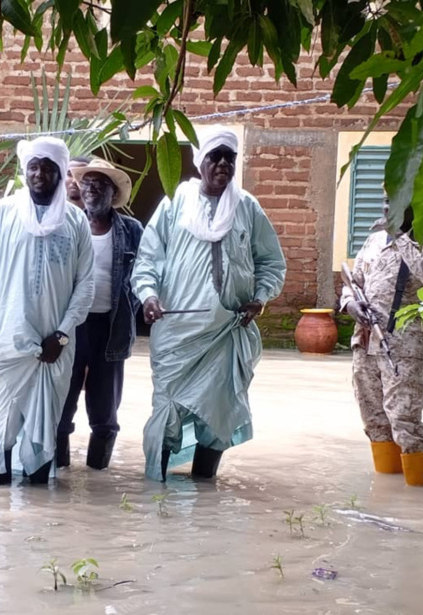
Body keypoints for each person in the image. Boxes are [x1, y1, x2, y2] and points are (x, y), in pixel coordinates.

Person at [131, 126, 286, 482]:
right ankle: (157, 489)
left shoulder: (247, 207)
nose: (222, 164)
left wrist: (259, 299)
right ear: (200, 161)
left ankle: (205, 489)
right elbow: (147, 260)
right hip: (177, 335)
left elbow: (272, 263)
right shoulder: (174, 202)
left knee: (218, 411)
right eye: (214, 156)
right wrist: (149, 295)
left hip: (227, 331)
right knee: (167, 410)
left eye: (229, 158)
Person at [0, 136, 94, 486]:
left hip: (55, 348)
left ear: (60, 173)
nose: (39, 174)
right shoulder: (3, 213)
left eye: (48, 168)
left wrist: (63, 333)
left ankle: (37, 529)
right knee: (2, 433)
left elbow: (85, 286)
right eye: (33, 167)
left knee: (42, 452)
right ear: (25, 172)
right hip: (8, 340)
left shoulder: (75, 222)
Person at [340, 203, 423, 486]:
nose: (389, 209)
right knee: (373, 416)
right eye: (387, 204)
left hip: (403, 345)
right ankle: (386, 493)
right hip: (365, 341)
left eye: (398, 203)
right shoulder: (374, 241)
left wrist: (401, 236)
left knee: (404, 416)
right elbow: (352, 282)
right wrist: (350, 304)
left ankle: (418, 490)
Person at [56, 159, 142, 470]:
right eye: (87, 183)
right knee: (62, 405)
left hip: (111, 326)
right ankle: (57, 474)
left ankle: (98, 477)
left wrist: (144, 303)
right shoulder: (66, 225)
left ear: (112, 192)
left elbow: (145, 274)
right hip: (70, 327)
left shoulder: (131, 230)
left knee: (105, 410)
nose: (91, 188)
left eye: (99, 184)